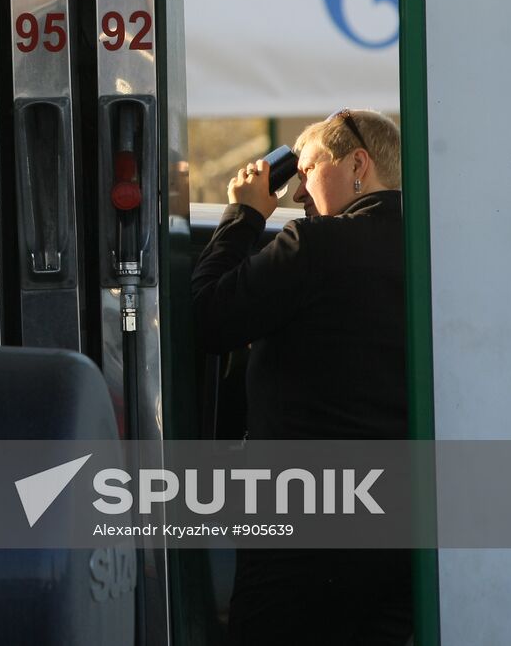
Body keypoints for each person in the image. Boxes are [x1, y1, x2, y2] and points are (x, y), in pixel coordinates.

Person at [191, 109, 411, 644]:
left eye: (306, 169)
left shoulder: (314, 246)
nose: (296, 195)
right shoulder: (429, 249)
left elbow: (208, 318)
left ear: (358, 163)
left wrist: (242, 216)